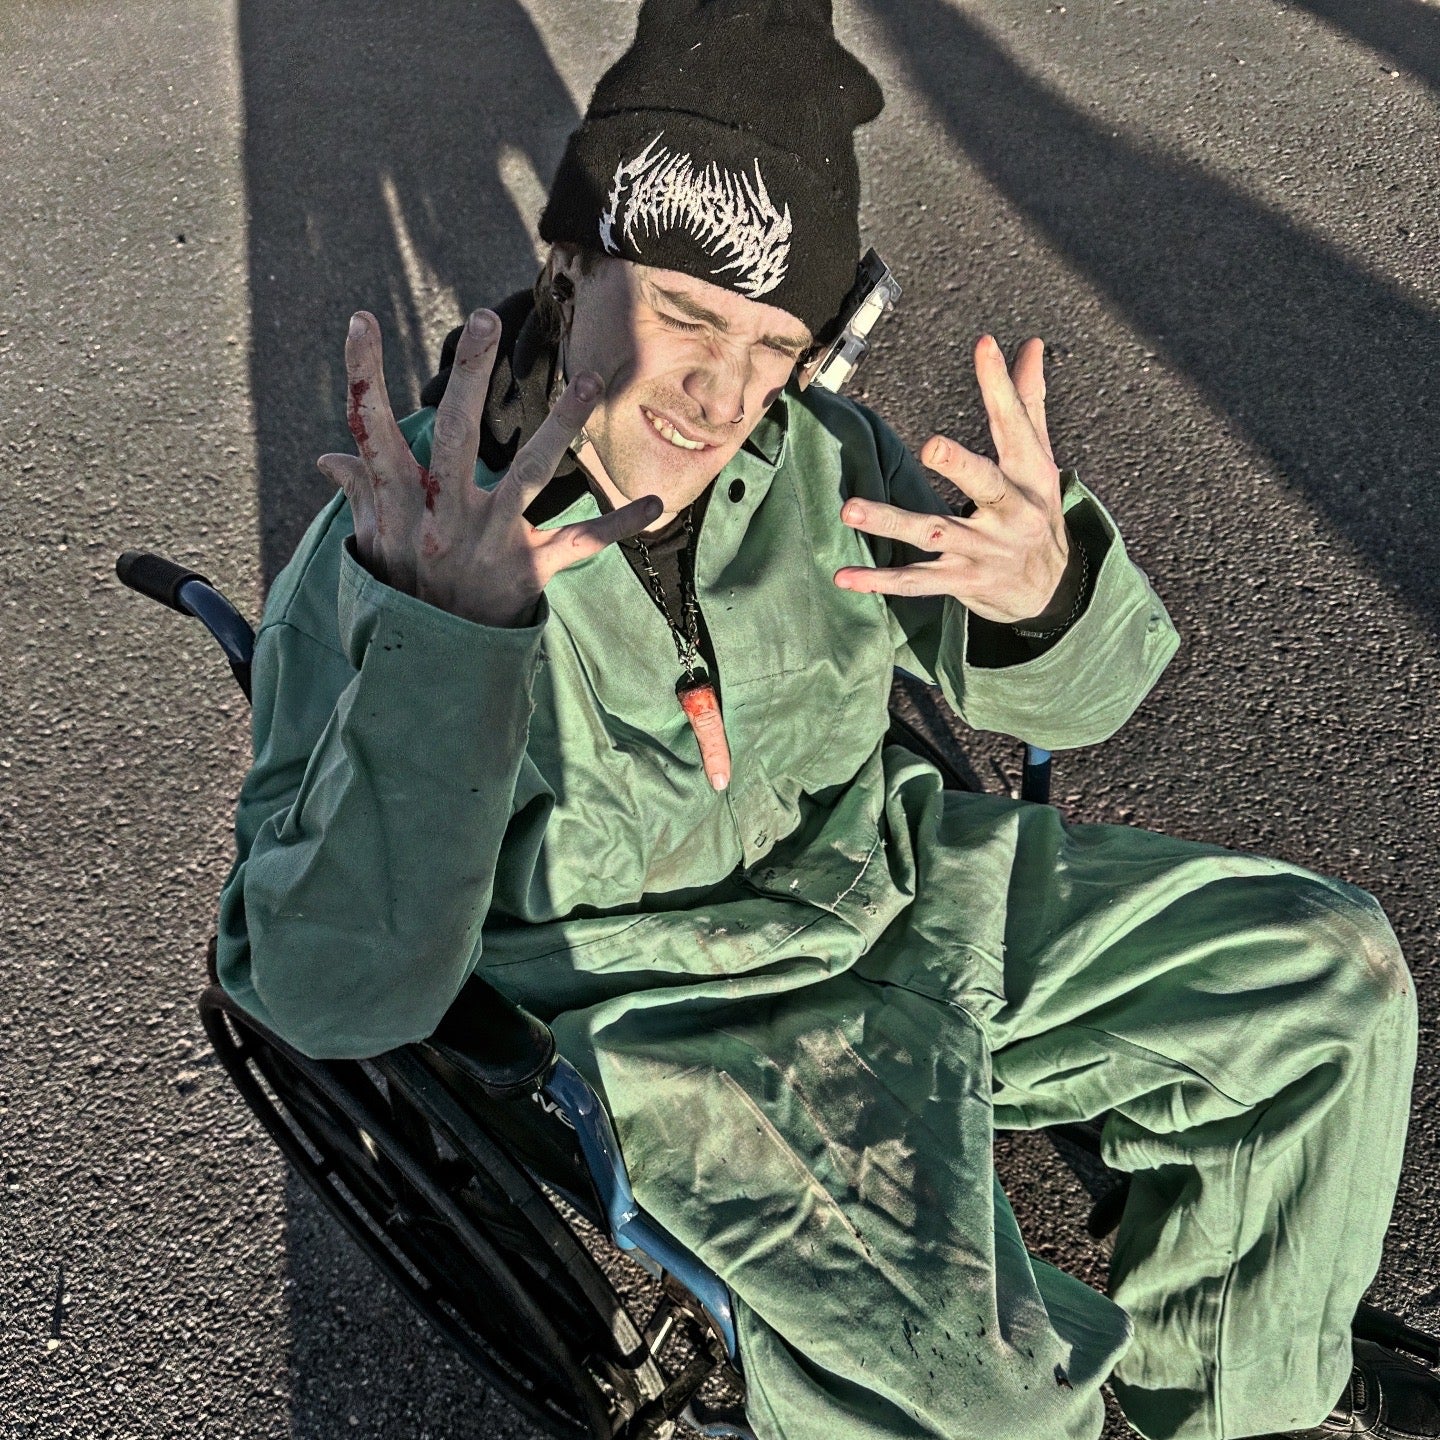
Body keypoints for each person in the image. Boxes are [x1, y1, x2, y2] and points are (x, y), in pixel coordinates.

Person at [216, 2, 1432, 1437]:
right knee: (994, 1406)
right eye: (686, 314)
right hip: (673, 1022)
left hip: (898, 890)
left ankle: (1231, 1402)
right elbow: (322, 994)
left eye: (775, 341)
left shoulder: (823, 455)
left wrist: (1043, 597)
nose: (724, 392)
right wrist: (446, 649)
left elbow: (1078, 700)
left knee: (1327, 982)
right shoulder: (401, 548)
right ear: (572, 261)